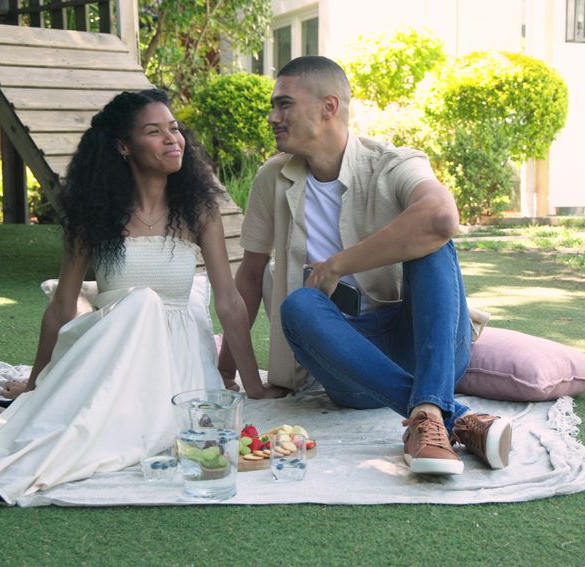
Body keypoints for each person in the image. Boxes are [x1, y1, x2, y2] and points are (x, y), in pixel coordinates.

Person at [0, 89, 284, 504]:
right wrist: (38, 382)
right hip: (110, 350)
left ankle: (51, 416)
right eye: (155, 131)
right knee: (140, 304)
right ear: (123, 146)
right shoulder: (94, 213)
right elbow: (62, 306)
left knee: (145, 406)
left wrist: (250, 385)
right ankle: (42, 412)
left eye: (175, 129)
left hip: (178, 360)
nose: (173, 139)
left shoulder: (199, 210)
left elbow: (229, 302)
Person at [216, 56, 512, 476]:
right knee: (299, 305)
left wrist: (337, 265)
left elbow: (442, 217)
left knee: (432, 244)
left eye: (284, 105)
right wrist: (228, 370)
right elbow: (248, 277)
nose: (272, 117)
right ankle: (449, 415)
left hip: (423, 343)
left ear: (328, 107)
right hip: (345, 358)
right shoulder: (272, 178)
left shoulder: (393, 162)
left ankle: (430, 413)